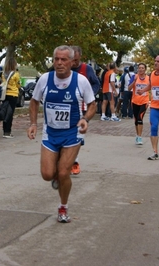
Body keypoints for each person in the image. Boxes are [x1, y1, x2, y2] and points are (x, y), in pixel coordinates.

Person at [27, 45, 96, 223]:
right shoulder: (45, 79)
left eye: (63, 59)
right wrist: (33, 124)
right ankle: (56, 171)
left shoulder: (81, 81)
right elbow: (34, 101)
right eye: (56, 59)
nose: (59, 63)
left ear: (72, 62)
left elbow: (92, 105)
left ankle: (63, 207)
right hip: (50, 133)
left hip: (73, 133)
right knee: (47, 174)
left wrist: (85, 120)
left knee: (64, 173)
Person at [70, 45, 100, 175]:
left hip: (81, 108)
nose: (73, 63)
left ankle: (74, 161)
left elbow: (96, 83)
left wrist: (89, 95)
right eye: (71, 59)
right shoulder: (63, 68)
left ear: (80, 57)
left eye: (76, 60)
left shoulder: (86, 69)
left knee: (77, 136)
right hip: (65, 107)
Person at [128, 63, 150, 145]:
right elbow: (129, 88)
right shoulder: (134, 77)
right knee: (136, 120)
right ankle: (137, 135)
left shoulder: (148, 78)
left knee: (140, 118)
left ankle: (140, 137)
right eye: (139, 68)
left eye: (142, 68)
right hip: (135, 101)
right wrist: (134, 81)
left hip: (144, 101)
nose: (140, 69)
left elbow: (152, 87)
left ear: (145, 69)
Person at [0, 58, 21, 138]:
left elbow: (3, 82)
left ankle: (4, 131)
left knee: (5, 112)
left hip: (5, 94)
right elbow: (18, 84)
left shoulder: (3, 73)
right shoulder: (16, 74)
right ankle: (8, 132)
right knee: (10, 113)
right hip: (13, 94)